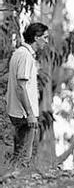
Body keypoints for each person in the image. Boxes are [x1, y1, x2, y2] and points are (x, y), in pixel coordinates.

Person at [5, 22, 49, 168]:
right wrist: (30, 113)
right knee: (24, 158)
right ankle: (20, 186)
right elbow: (21, 87)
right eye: (45, 37)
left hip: (18, 111)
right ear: (37, 38)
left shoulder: (20, 53)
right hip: (24, 114)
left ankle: (12, 184)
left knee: (18, 156)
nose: (46, 41)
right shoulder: (25, 56)